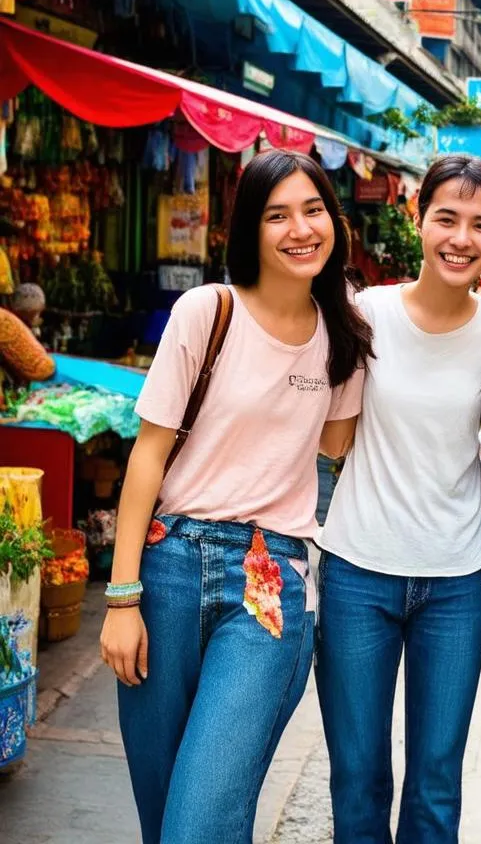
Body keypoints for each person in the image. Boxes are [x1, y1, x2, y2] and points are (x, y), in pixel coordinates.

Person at [100, 149, 371, 844]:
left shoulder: (343, 341)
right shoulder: (207, 312)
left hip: (269, 584)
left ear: (334, 222)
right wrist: (121, 598)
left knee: (202, 822)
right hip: (167, 568)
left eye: (313, 210)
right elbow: (148, 457)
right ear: (250, 228)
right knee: (164, 819)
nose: (300, 228)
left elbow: (331, 461)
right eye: (278, 214)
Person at [316, 155, 481, 844]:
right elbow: (324, 431)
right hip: (356, 574)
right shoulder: (364, 314)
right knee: (359, 776)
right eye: (447, 219)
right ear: (419, 219)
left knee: (435, 780)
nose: (461, 238)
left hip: (457, 584)